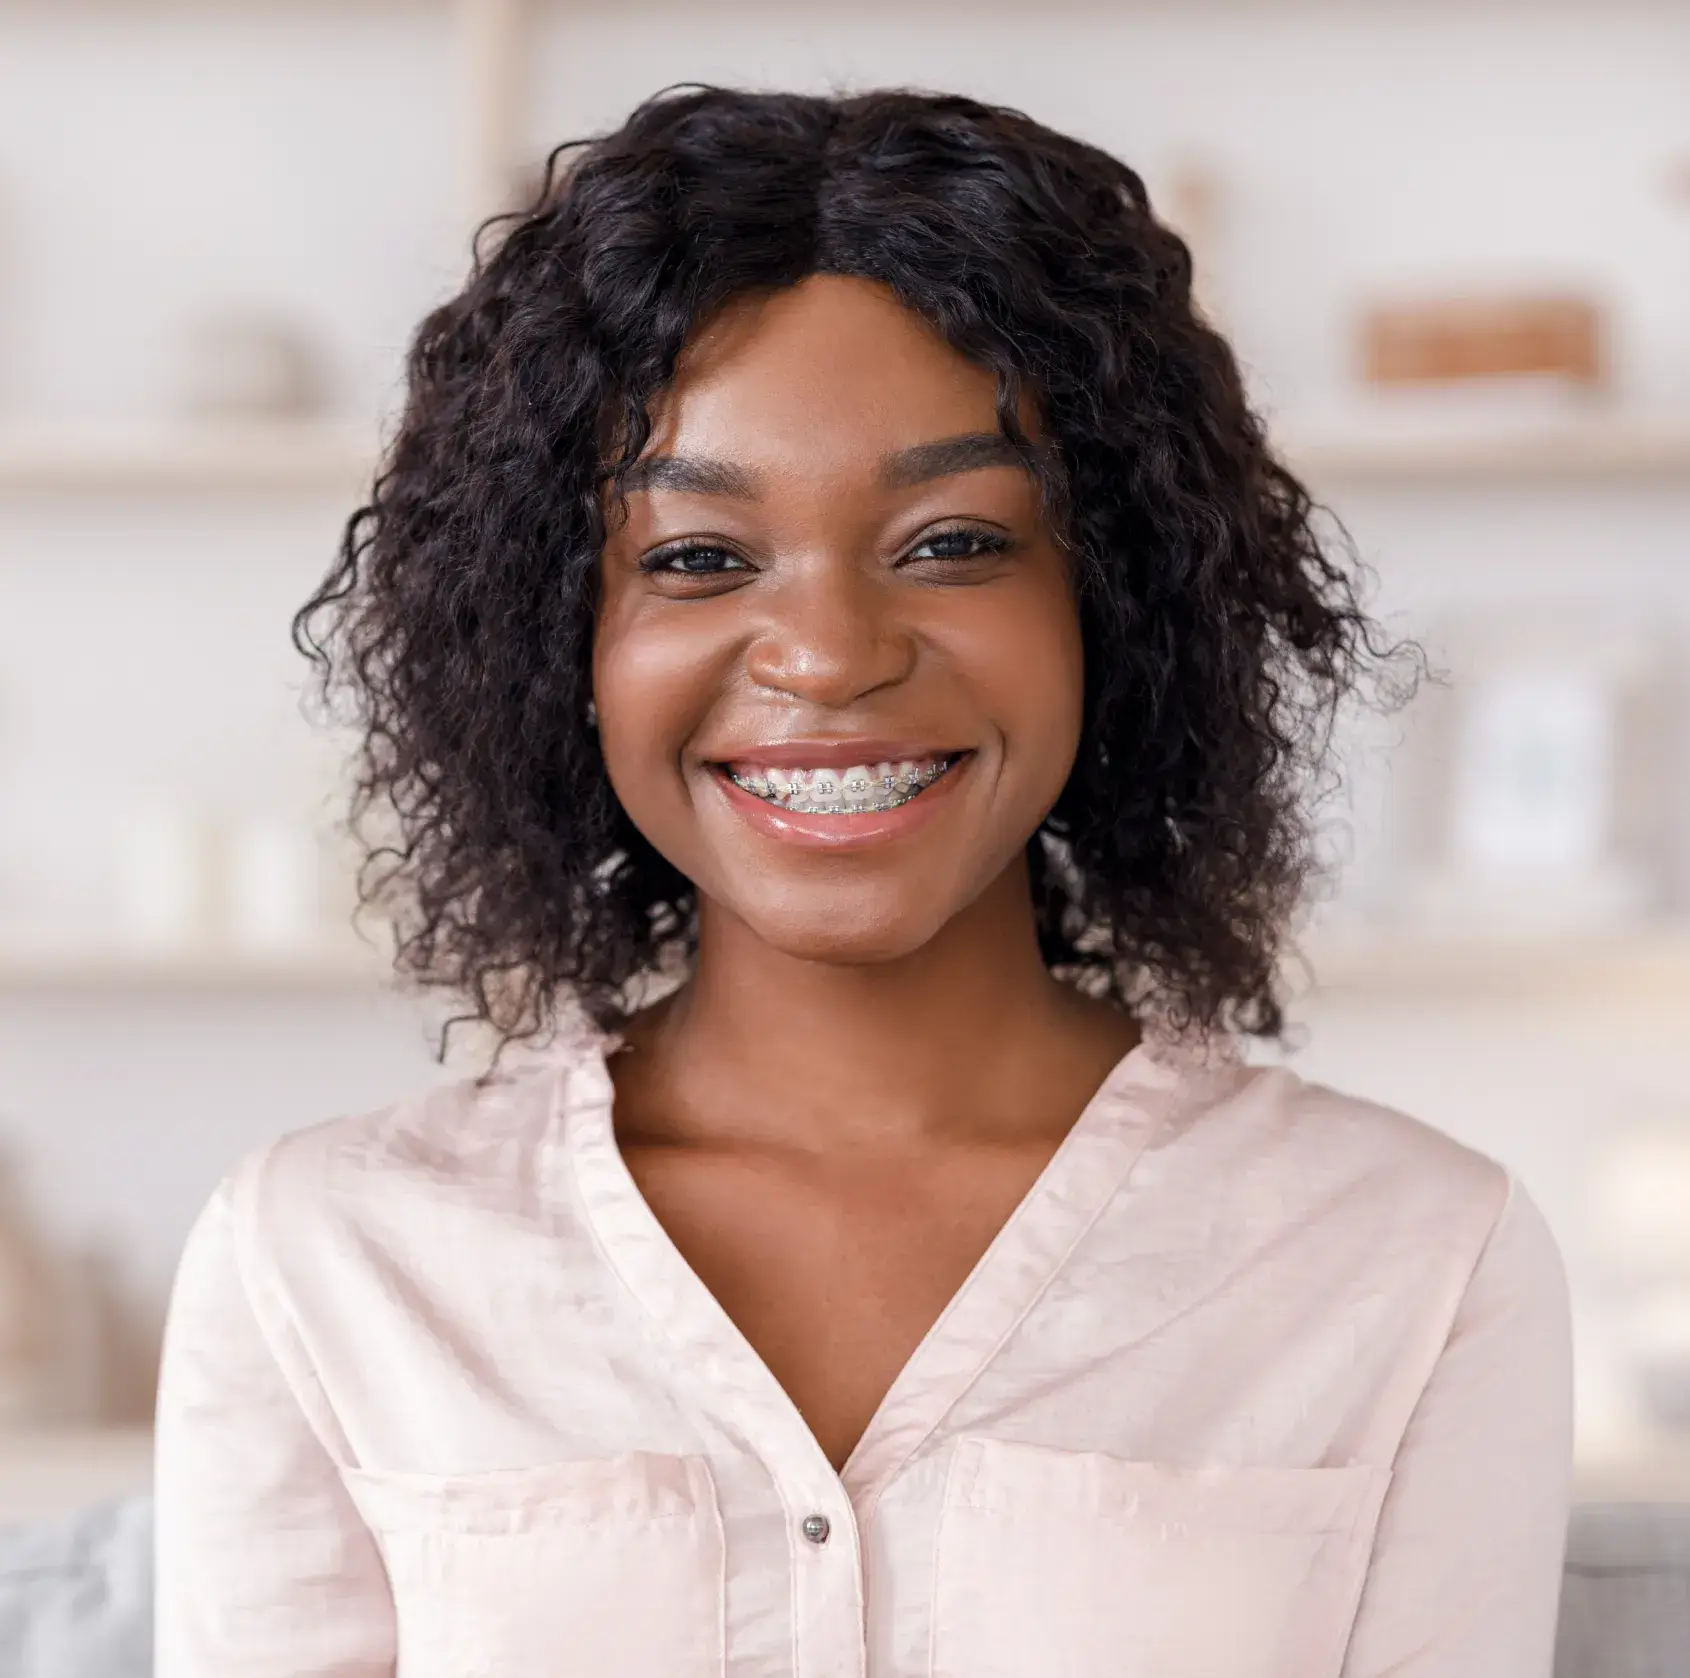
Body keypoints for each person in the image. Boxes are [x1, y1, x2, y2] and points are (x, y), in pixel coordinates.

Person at [153, 86, 1573, 1678]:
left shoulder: (1410, 1257)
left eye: (953, 541)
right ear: (559, 639)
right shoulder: (326, 1259)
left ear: (1114, 599)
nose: (828, 656)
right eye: (694, 556)